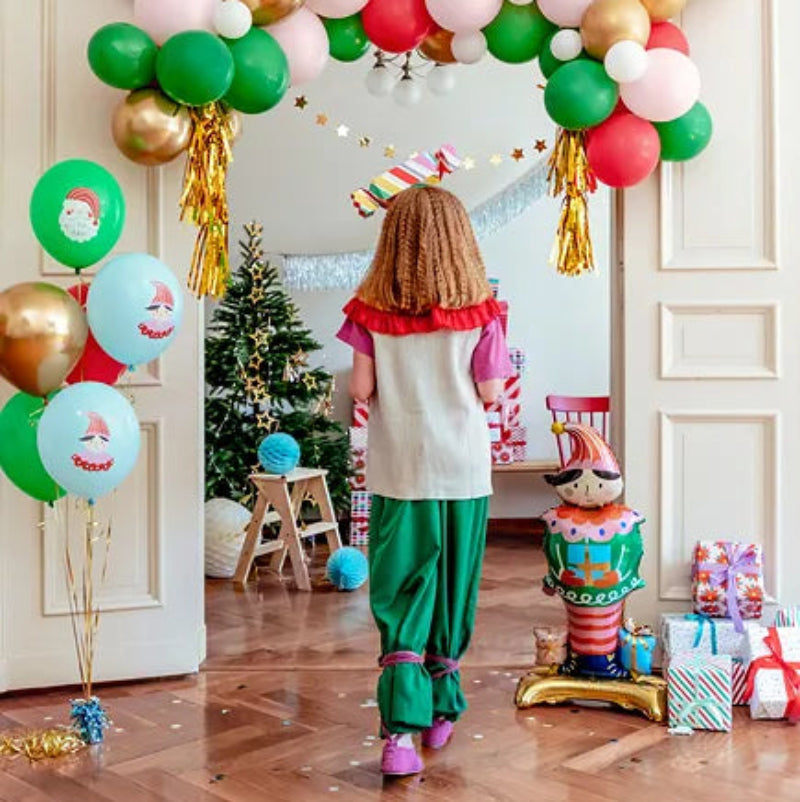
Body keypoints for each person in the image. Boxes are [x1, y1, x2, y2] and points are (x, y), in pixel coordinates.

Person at [337, 185, 513, 776]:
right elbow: (491, 392)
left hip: (399, 469)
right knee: (452, 594)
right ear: (460, 242)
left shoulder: (368, 313)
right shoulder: (483, 313)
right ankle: (441, 708)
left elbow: (360, 391)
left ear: (393, 243)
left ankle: (399, 740)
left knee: (403, 594)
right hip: (462, 469)